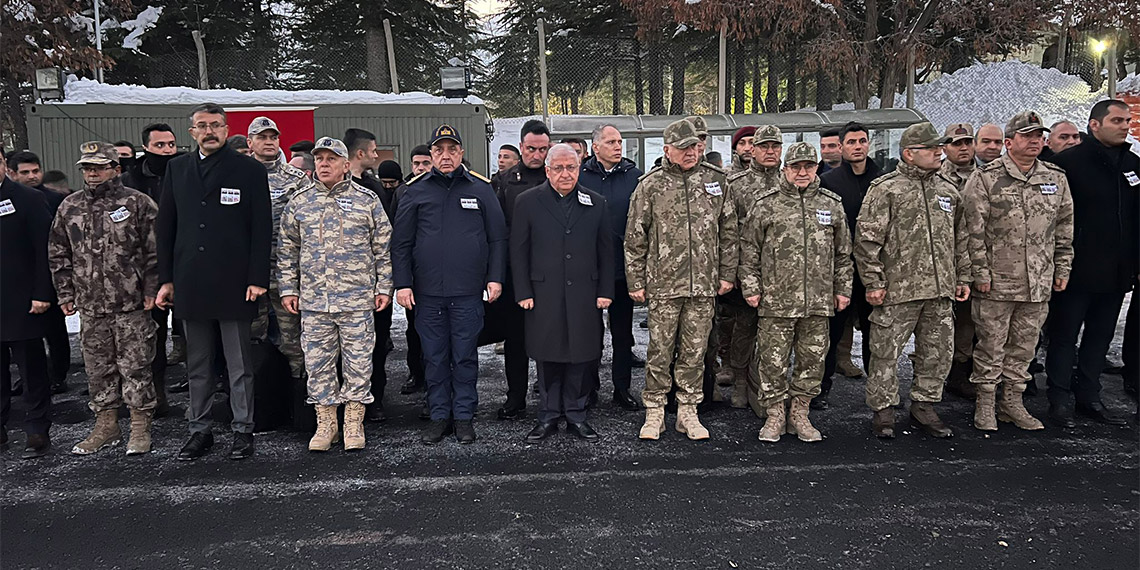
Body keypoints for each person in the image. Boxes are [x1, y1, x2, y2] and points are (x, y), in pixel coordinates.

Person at [156, 102, 272, 461]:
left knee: (239, 364)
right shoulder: (177, 169)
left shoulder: (249, 170)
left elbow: (261, 228)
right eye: (202, 126)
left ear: (226, 129)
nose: (209, 131)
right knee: (198, 364)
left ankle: (242, 431)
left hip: (235, 282)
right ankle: (199, 429)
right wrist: (167, 280)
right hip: (191, 282)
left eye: (216, 125)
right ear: (192, 132)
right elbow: (166, 227)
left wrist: (257, 278)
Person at [392, 124, 507, 445]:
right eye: (439, 150)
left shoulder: (481, 189)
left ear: (461, 153)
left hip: (468, 292)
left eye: (452, 149)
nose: (445, 155)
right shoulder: (415, 190)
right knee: (434, 356)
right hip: (427, 294)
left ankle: (464, 416)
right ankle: (440, 415)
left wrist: (495, 277)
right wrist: (403, 284)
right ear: (431, 155)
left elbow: (498, 238)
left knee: (466, 356)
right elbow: (401, 243)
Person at [855, 122, 970, 439]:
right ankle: (884, 410)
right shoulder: (887, 189)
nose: (939, 152)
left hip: (940, 289)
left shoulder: (948, 190)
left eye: (939, 147)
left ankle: (925, 405)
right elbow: (867, 241)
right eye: (932, 148)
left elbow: (960, 239)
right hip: (898, 290)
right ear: (909, 153)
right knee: (885, 353)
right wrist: (874, 282)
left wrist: (962, 276)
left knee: (937, 353)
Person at [625, 118, 737, 441]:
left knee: (695, 351)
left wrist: (726, 273)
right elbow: (635, 238)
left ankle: (688, 411)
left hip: (703, 285)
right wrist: (636, 281)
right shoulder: (650, 185)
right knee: (659, 350)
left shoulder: (716, 182)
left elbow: (729, 232)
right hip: (663, 285)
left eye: (695, 146)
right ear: (667, 150)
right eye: (684, 147)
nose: (691, 152)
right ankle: (655, 411)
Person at [280, 137, 392, 451]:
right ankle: (326, 423)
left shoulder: (367, 200)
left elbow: (383, 249)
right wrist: (289, 288)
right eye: (320, 159)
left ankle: (353, 423)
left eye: (332, 159)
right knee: (318, 364)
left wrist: (384, 287)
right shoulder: (299, 202)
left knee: (358, 363)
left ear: (346, 165)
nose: (324, 164)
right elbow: (287, 251)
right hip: (314, 302)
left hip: (357, 300)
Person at [963, 111, 1073, 432]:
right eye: (1027, 136)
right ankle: (985, 403)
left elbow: (1064, 228)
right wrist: (979, 273)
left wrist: (1062, 267)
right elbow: (973, 232)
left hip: (1038, 281)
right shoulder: (986, 178)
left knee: (1025, 345)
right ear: (1009, 143)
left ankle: (1012, 402)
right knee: (990, 345)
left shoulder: (1055, 178)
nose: (1035, 141)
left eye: (1039, 135)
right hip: (997, 282)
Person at [48, 141, 160, 456]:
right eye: (87, 167)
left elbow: (156, 251)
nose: (93, 173)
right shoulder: (69, 206)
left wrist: (151, 289)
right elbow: (59, 252)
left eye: (99, 166)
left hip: (131, 303)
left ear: (115, 168)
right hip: (90, 304)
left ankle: (140, 427)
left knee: (136, 365)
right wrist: (65, 292)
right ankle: (106, 425)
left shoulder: (138, 203)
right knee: (98, 368)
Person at [740, 142, 851, 442]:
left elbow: (843, 254)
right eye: (796, 167)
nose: (802, 172)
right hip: (776, 301)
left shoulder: (831, 204)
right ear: (785, 169)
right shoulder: (766, 204)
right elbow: (748, 250)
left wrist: (843, 290)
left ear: (817, 167)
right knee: (772, 361)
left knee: (812, 360)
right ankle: (775, 413)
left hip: (817, 301)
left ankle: (800, 412)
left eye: (809, 166)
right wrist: (751, 287)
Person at [1044, 99, 1137, 427]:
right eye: (1117, 120)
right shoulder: (1069, 163)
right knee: (1064, 336)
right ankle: (1059, 399)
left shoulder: (1132, 164)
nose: (1125, 125)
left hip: (1116, 273)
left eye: (1126, 120)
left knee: (1100, 337)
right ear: (1094, 125)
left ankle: (1089, 396)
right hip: (1076, 272)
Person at [512, 144, 614, 442]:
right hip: (543, 294)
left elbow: (606, 252)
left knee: (581, 356)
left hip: (585, 293)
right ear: (547, 170)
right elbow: (518, 251)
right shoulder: (527, 202)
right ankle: (547, 415)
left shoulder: (596, 203)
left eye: (571, 167)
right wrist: (523, 291)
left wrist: (605, 290)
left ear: (579, 168)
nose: (565, 173)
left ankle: (576, 413)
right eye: (559, 168)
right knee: (548, 355)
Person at [817, 122, 883, 409]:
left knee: (876, 333)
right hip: (840, 269)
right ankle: (820, 388)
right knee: (831, 332)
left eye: (862, 141)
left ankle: (880, 392)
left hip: (875, 270)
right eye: (852, 141)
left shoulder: (883, 180)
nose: (858, 146)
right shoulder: (829, 182)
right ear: (842, 147)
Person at [578, 123, 644, 411]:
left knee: (621, 333)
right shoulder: (580, 175)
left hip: (622, 267)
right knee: (590, 333)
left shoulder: (634, 176)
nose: (618, 146)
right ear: (596, 147)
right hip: (588, 269)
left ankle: (622, 387)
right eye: (611, 142)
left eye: (619, 141)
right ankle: (589, 387)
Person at [491, 120, 551, 420]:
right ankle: (515, 397)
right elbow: (497, 230)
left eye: (542, 149)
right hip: (516, 274)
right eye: (530, 149)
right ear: (521, 146)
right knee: (515, 339)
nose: (536, 155)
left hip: (550, 273)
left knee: (549, 338)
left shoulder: (558, 178)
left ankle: (550, 397)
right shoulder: (504, 181)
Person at [247, 117, 311, 388]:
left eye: (273, 136)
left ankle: (298, 396)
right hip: (248, 273)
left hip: (286, 273)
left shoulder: (295, 179)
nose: (269, 141)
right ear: (250, 142)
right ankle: (257, 397)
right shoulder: (237, 175)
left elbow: (308, 224)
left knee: (293, 339)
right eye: (262, 137)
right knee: (251, 338)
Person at [123, 122, 185, 403]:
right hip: (147, 270)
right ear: (146, 147)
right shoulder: (130, 180)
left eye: (171, 145)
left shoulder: (185, 171)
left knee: (196, 334)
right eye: (160, 145)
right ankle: (156, 393)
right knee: (152, 336)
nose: (167, 150)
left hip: (185, 265)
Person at [724, 124, 784, 413]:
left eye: (775, 146)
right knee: (745, 327)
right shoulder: (736, 186)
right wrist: (733, 271)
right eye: (764, 147)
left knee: (776, 333)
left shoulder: (791, 181)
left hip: (785, 275)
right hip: (748, 271)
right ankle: (739, 380)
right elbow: (728, 232)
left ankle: (767, 386)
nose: (770, 152)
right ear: (753, 151)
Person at [0, 152, 54, 459]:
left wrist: (42, 292)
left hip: (23, 301)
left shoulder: (27, 199)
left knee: (31, 370)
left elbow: (44, 250)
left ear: (4, 165)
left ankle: (36, 429)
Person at [7, 151, 71, 395]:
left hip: (49, 273)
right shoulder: (12, 199)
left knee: (55, 330)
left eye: (36, 171)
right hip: (19, 279)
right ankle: (29, 377)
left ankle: (58, 374)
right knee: (24, 335)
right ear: (12, 173)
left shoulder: (54, 199)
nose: (32, 176)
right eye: (25, 172)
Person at [343, 128, 396, 421]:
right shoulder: (329, 185)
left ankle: (374, 398)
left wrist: (385, 285)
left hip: (371, 285)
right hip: (339, 289)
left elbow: (385, 240)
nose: (377, 156)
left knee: (377, 344)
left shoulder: (374, 190)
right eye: (374, 151)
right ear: (360, 153)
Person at [935, 123, 980, 399]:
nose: (963, 148)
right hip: (943, 262)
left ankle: (961, 374)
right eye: (956, 143)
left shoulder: (986, 176)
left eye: (967, 142)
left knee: (968, 323)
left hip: (974, 260)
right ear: (944, 148)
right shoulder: (936, 178)